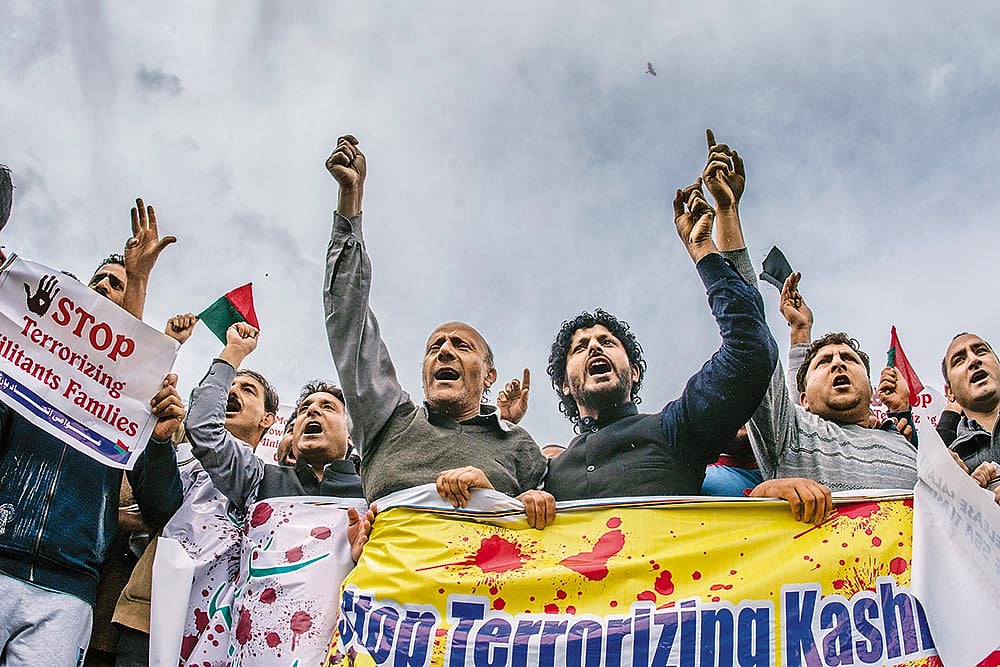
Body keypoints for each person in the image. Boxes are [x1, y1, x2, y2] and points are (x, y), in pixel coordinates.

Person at [323, 135, 549, 527]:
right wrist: (350, 201)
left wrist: (512, 500)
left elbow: (552, 523)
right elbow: (348, 321)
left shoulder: (520, 447)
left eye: (461, 345)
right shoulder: (388, 421)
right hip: (395, 569)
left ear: (489, 374)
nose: (444, 351)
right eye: (434, 347)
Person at [698, 132, 919, 520]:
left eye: (849, 359)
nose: (838, 363)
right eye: (824, 362)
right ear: (802, 399)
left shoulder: (913, 450)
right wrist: (728, 211)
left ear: (872, 390)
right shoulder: (791, 435)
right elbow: (750, 331)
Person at [0, 199, 177, 664]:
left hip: (67, 590)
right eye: (97, 281)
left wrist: (159, 441)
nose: (103, 288)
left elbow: (162, 507)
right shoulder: (27, 375)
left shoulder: (139, 401)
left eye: (116, 285)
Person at [542, 168, 778, 502]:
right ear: (565, 383)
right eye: (579, 347)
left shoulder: (673, 430)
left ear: (634, 372)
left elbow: (750, 349)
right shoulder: (546, 475)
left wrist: (703, 250)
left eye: (608, 342)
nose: (594, 347)